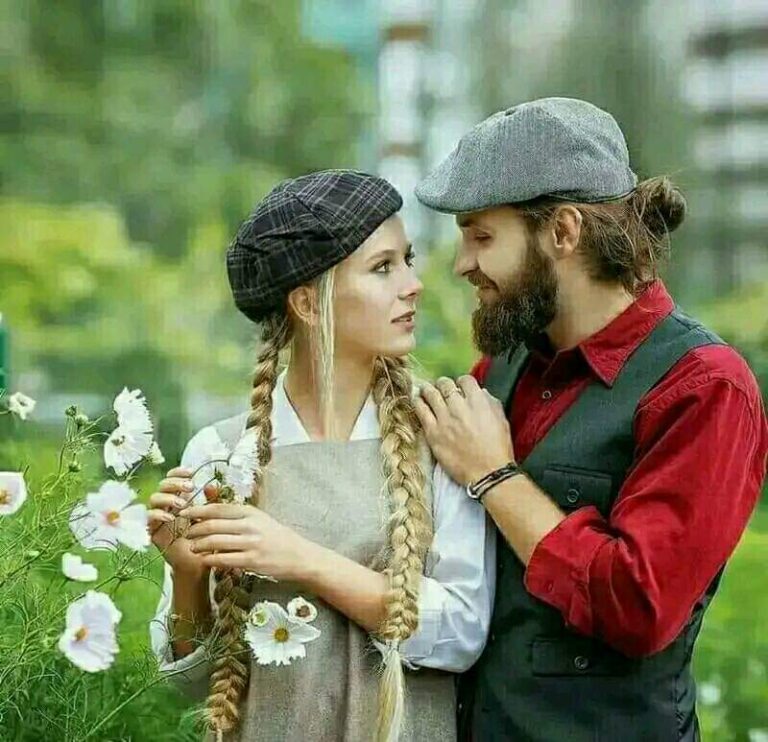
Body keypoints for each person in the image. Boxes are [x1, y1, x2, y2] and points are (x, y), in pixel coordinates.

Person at [412, 97, 768, 741]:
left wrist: (496, 477)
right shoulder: (506, 364)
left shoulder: (705, 387)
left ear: (564, 231)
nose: (463, 263)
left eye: (481, 236)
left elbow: (639, 604)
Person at [147, 170, 495, 742]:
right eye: (383, 268)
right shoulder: (222, 453)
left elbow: (461, 632)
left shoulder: (443, 434)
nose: (413, 285)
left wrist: (301, 559)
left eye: (407, 260)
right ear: (308, 303)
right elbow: (195, 683)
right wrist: (187, 574)